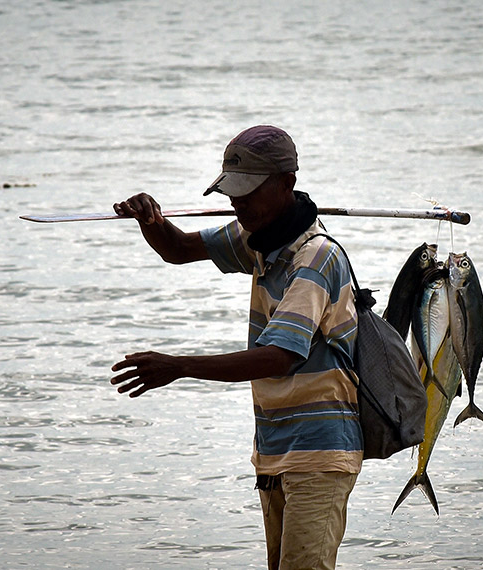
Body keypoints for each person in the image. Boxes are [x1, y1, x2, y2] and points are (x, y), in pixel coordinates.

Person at [110, 125, 363, 569]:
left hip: (319, 453)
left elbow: (281, 355)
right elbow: (178, 248)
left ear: (286, 184)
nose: (236, 202)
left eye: (248, 191)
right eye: (232, 191)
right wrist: (151, 221)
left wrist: (180, 366)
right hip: (273, 447)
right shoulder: (257, 237)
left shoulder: (316, 256)